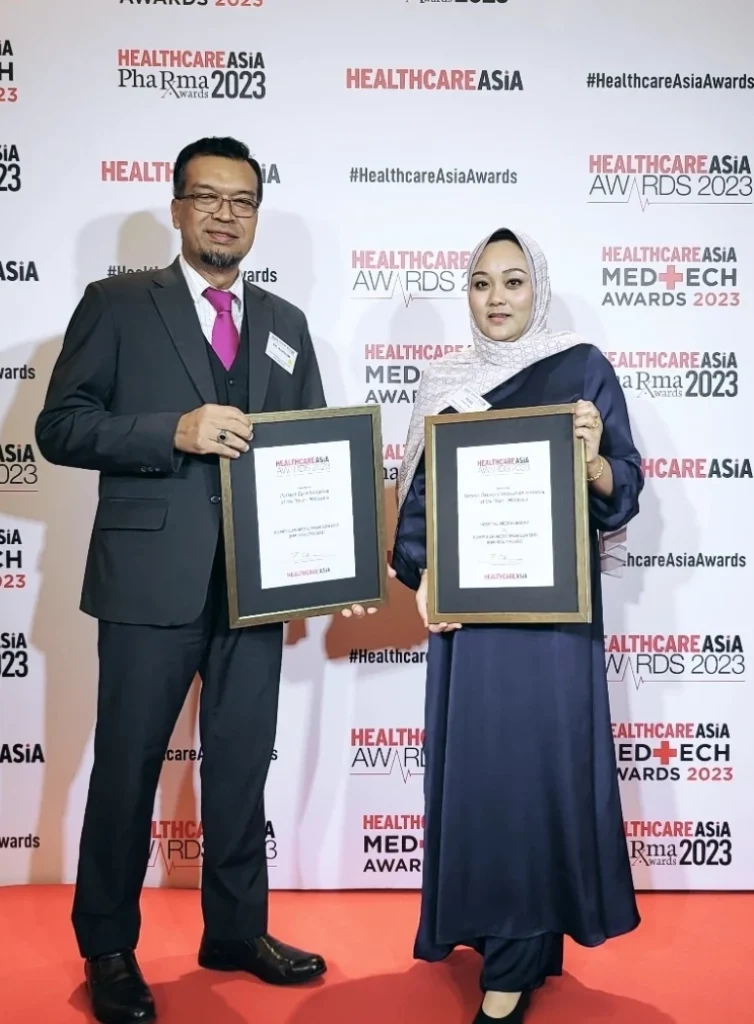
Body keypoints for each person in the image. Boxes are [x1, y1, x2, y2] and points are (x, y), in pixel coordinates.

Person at [35, 136, 329, 1024]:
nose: (225, 214)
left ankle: (236, 931)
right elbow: (61, 426)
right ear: (176, 208)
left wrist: (325, 566)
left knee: (239, 769)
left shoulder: (285, 323)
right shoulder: (118, 304)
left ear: (256, 215)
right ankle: (108, 947)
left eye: (242, 200)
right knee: (127, 768)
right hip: (147, 582)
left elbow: (312, 453)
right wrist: (172, 429)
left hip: (257, 588)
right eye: (208, 197)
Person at [389, 228, 643, 1022]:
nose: (496, 298)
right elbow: (418, 502)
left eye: (513, 281)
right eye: (480, 283)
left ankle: (516, 959)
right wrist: (422, 572)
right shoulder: (444, 381)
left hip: (553, 620)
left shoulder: (581, 368)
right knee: (487, 779)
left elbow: (624, 482)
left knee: (542, 775)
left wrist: (594, 462)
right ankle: (514, 943)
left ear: (539, 288)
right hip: (472, 620)